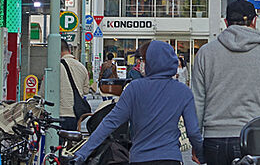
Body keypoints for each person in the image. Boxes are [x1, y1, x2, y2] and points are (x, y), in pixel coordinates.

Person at [192, 0, 260, 165]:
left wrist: (196, 142)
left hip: (214, 139)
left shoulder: (206, 53)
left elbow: (197, 100)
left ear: (226, 22)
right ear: (254, 21)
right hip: (254, 137)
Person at [73, 40, 204, 165]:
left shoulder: (134, 88)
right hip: (170, 157)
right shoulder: (183, 91)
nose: (141, 63)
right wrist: (200, 154)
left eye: (143, 60)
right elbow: (193, 131)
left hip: (140, 157)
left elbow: (110, 122)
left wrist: (82, 154)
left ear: (151, 62)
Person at [60, 40, 90, 131]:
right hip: (76, 113)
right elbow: (86, 91)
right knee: (70, 142)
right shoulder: (81, 67)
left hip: (60, 113)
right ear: (69, 50)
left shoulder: (55, 67)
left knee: (56, 143)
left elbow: (44, 92)